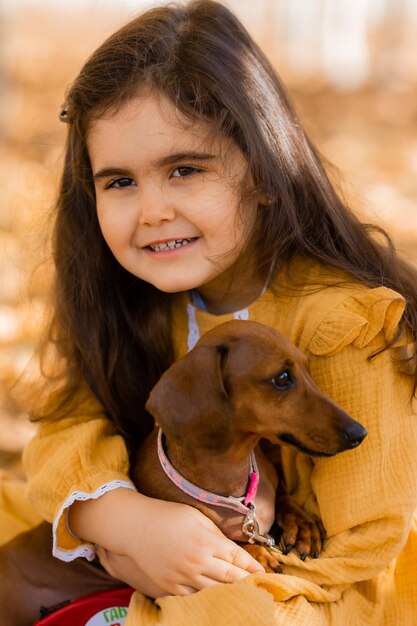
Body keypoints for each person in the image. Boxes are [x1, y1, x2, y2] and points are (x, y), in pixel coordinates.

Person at [2, 1, 417, 624]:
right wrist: (126, 524)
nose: (152, 211)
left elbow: (361, 555)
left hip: (301, 596)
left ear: (266, 173)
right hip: (136, 555)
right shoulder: (135, 303)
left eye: (185, 169)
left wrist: (200, 579)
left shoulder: (346, 325)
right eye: (119, 181)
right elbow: (66, 432)